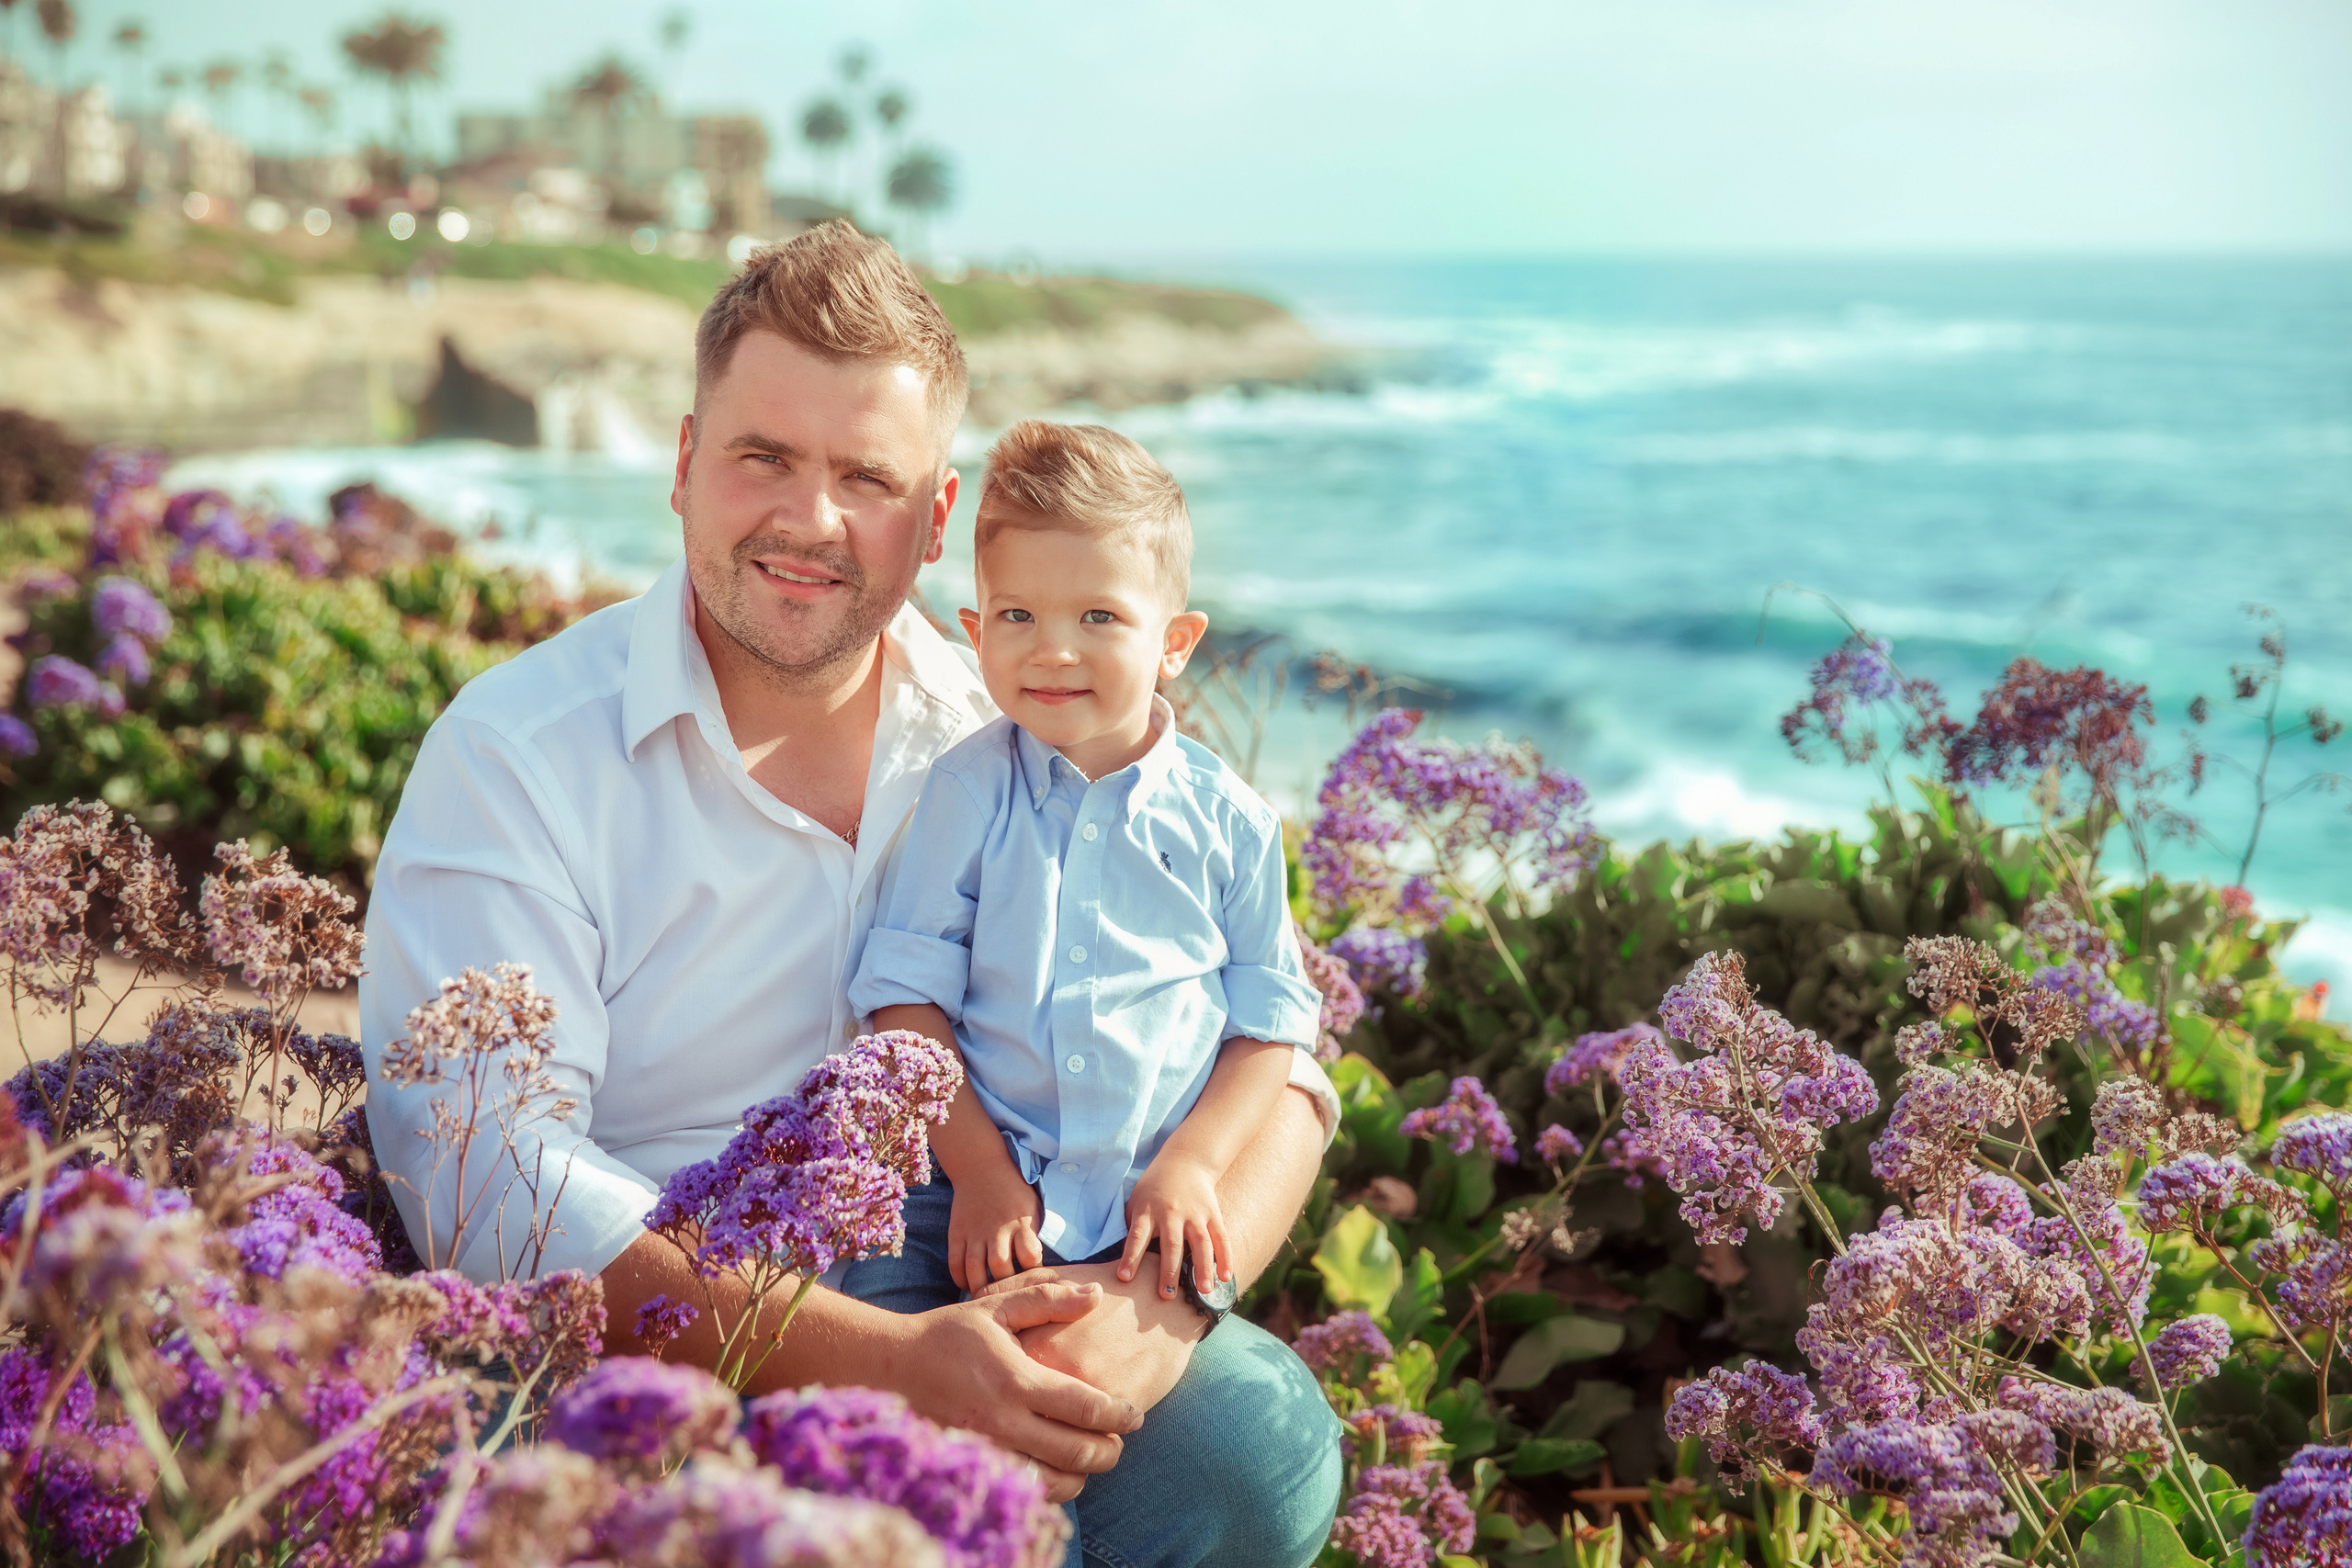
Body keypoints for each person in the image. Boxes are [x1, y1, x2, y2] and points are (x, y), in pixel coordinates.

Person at [357, 221, 1342, 1568]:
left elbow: (1287, 1072)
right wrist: (886, 1362)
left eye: (865, 476)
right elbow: (486, 1181)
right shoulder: (517, 750)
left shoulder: (1025, 727)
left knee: (1251, 1442)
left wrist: (1156, 1306)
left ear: (937, 519)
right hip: (656, 1337)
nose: (809, 519)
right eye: (763, 455)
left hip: (991, 1280)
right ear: (686, 463)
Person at [844, 419, 1319, 1315]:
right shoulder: (967, 791)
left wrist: (1192, 1167)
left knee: (1157, 1418)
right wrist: (980, 1175)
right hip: (967, 1190)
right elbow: (904, 999)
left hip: (1151, 1206)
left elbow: (1267, 1028)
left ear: (1174, 642)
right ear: (976, 632)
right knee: (884, 1365)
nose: (1053, 649)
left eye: (1098, 616)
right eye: (1018, 616)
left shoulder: (1234, 822)